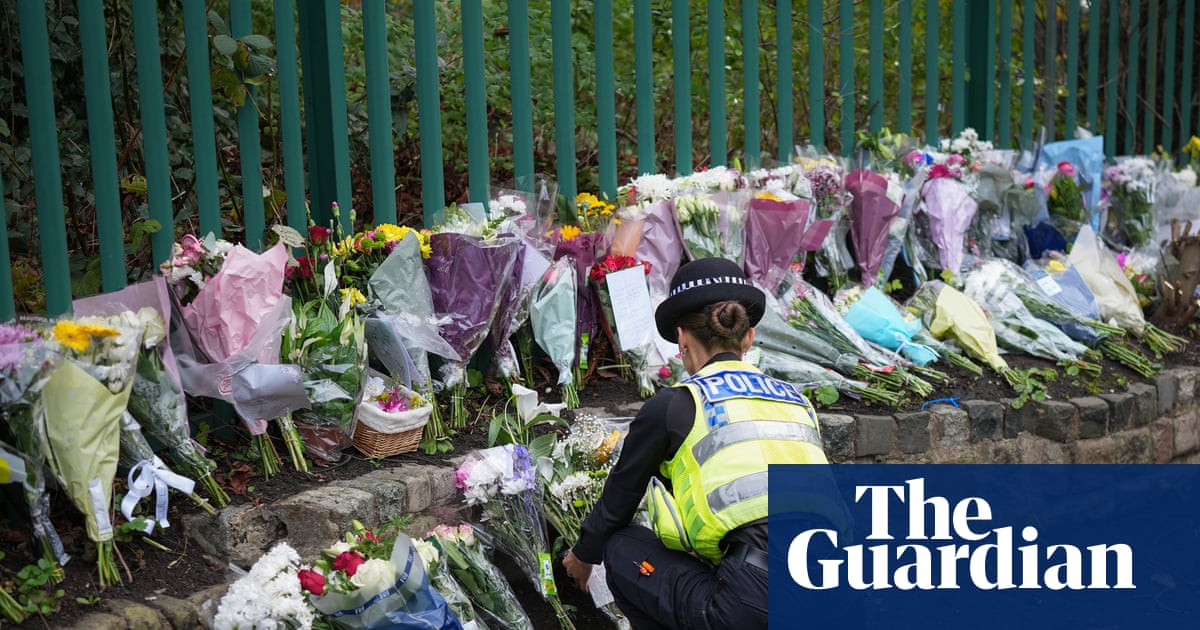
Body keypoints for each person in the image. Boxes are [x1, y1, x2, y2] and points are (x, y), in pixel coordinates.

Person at [562, 257, 831, 629]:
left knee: (622, 547)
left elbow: (618, 502)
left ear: (682, 338)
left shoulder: (676, 404)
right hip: (832, 592)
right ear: (748, 338)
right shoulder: (797, 402)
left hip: (754, 606)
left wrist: (583, 555)